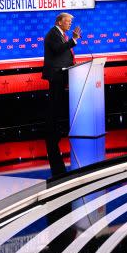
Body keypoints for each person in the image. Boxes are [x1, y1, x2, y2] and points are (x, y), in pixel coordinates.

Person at [42, 12, 80, 177]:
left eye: (71, 21)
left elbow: (63, 53)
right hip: (55, 74)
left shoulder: (61, 34)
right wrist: (73, 40)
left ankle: (54, 129)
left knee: (57, 104)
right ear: (59, 21)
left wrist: (72, 62)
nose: (70, 23)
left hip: (62, 73)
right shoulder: (53, 34)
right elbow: (57, 50)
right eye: (68, 21)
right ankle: (51, 132)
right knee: (54, 104)